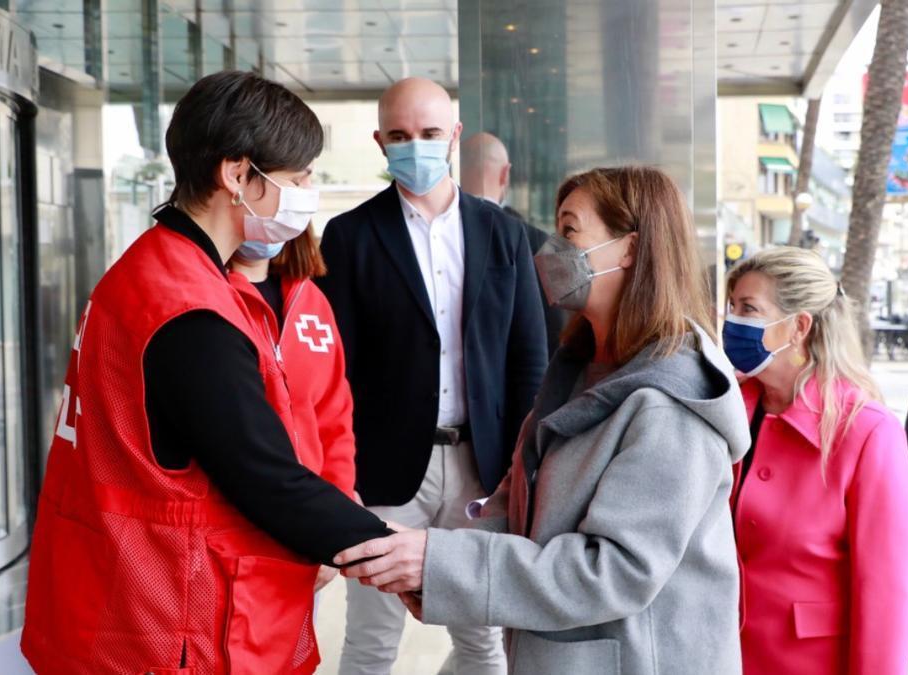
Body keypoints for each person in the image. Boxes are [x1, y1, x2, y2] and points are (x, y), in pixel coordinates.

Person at [20, 71, 390, 674]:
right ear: (238, 176)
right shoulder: (190, 311)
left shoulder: (152, 269)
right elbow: (265, 476)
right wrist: (390, 548)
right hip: (166, 623)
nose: (307, 193)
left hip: (117, 600)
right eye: (297, 178)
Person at [337, 166, 751, 675]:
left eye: (570, 231)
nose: (551, 249)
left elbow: (614, 571)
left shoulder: (669, 404)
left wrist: (438, 562)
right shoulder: (578, 374)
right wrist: (423, 559)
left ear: (628, 249)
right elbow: (525, 514)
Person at [317, 78, 547, 675]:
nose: (414, 146)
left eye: (428, 134)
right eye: (398, 136)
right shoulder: (349, 236)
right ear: (378, 141)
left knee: (482, 639)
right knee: (370, 640)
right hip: (385, 469)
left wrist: (521, 466)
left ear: (455, 137)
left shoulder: (503, 234)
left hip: (482, 467)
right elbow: (331, 369)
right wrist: (338, 475)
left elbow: (528, 359)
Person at [723, 248, 908, 674]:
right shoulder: (727, 409)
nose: (733, 321)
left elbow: (887, 595)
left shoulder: (867, 431)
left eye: (749, 309)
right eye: (732, 307)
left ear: (798, 326)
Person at [228, 224, 358, 594]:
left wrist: (331, 521)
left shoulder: (310, 301)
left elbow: (334, 418)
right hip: (238, 528)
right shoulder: (212, 296)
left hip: (307, 525)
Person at [461, 131, 568, 357]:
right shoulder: (536, 241)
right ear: (505, 174)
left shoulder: (438, 238)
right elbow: (555, 327)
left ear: (459, 172)